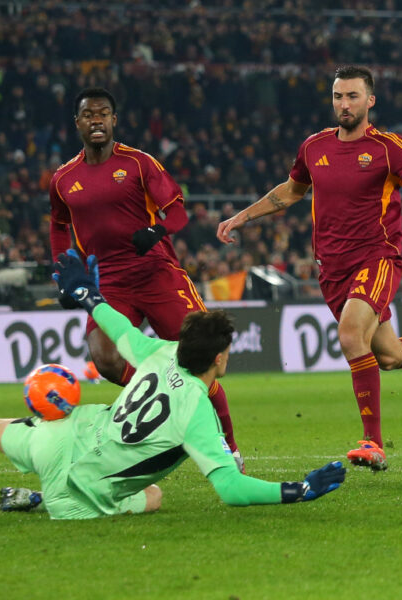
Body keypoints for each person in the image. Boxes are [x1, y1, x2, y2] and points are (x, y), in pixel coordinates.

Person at [0, 250, 346, 520]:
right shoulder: (198, 410)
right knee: (152, 497)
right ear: (219, 359)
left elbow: (120, 328)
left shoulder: (159, 351)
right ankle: (44, 500)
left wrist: (88, 295)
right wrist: (298, 490)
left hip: (62, 437)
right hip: (81, 491)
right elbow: (231, 490)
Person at [217, 66, 402, 471]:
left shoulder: (389, 148)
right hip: (331, 269)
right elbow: (290, 192)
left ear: (370, 101)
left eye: (352, 96)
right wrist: (243, 216)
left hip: (377, 258)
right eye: (337, 96)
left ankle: (373, 442)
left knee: (350, 335)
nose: (344, 104)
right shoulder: (313, 147)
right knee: (388, 355)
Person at [49, 87, 242, 468]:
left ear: (114, 120)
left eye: (103, 113)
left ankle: (229, 448)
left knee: (201, 353)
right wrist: (63, 273)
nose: (96, 120)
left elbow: (179, 212)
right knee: (105, 359)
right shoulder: (63, 178)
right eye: (88, 115)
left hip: (156, 271)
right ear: (78, 123)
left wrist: (157, 231)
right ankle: (168, 393)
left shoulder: (138, 163)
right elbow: (58, 226)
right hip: (107, 282)